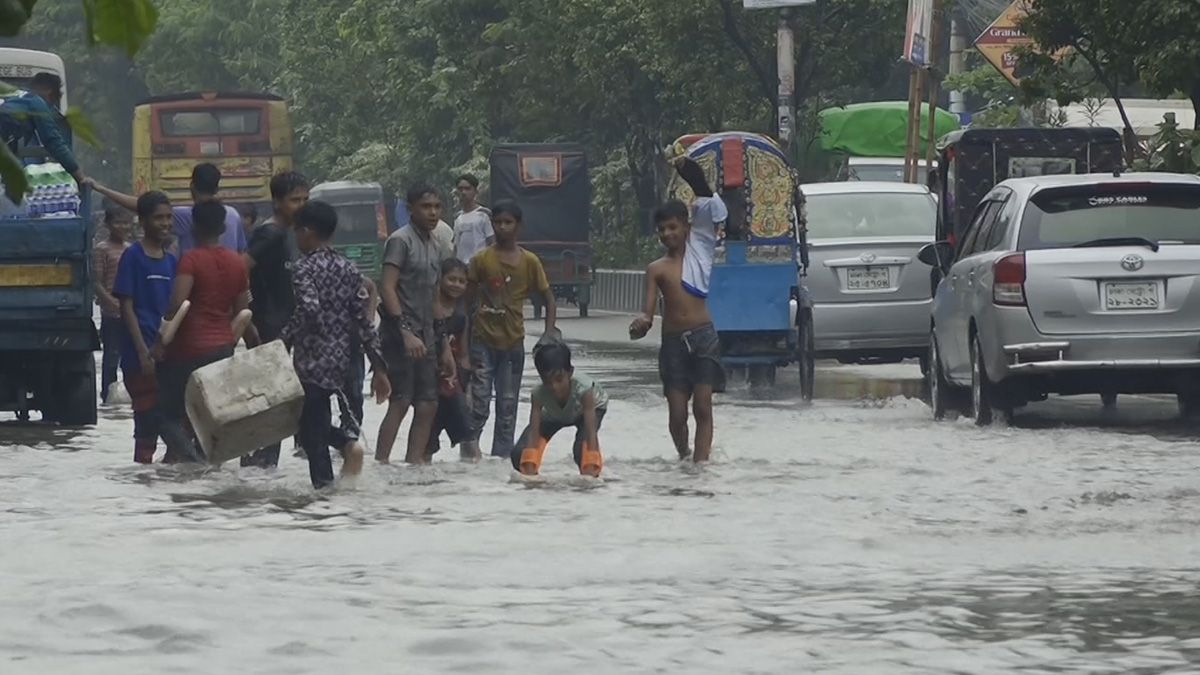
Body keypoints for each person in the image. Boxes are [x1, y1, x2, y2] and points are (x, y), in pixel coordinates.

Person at [282, 200, 390, 488]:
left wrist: (284, 340)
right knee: (311, 424)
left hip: (311, 360)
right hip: (342, 358)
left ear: (307, 231)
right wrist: (379, 367)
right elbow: (364, 321)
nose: (296, 238)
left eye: (297, 232)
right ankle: (345, 449)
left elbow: (308, 309)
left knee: (309, 430)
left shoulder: (304, 268)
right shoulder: (349, 268)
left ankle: (326, 483)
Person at [629, 155, 727, 463]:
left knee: (702, 407)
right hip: (673, 343)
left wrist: (690, 173)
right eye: (661, 230)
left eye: (672, 227)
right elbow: (648, 311)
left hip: (703, 336)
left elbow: (709, 201)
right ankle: (684, 454)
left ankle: (700, 464)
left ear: (686, 227)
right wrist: (641, 322)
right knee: (676, 413)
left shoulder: (701, 250)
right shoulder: (656, 269)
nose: (667, 234)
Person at [154, 200, 252, 463]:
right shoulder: (237, 263)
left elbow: (177, 304)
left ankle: (193, 464)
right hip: (223, 347)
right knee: (209, 415)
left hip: (188, 349)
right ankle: (207, 465)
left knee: (165, 416)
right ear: (222, 227)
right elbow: (242, 310)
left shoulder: (191, 259)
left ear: (194, 227)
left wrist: (159, 342)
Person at [464, 200, 555, 460]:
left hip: (513, 344)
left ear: (518, 226)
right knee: (479, 404)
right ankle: (470, 456)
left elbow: (548, 298)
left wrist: (549, 333)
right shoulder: (481, 259)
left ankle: (501, 459)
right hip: (482, 342)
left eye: (508, 222)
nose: (502, 227)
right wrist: (464, 340)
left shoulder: (529, 262)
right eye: (498, 222)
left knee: (507, 406)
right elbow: (466, 300)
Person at [376, 182, 453, 464]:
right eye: (426, 207)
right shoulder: (400, 240)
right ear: (410, 210)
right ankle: (381, 464)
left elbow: (435, 296)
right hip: (400, 334)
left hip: (428, 334)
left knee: (429, 403)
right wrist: (406, 332)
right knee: (401, 400)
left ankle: (414, 466)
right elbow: (387, 288)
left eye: (437, 207)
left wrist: (444, 345)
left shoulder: (435, 243)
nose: (433, 212)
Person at [240, 171, 310, 469]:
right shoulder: (270, 234)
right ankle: (257, 467)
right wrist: (248, 320)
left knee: (280, 403)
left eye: (306, 199)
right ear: (277, 201)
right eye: (295, 200)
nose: (302, 206)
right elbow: (239, 271)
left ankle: (264, 471)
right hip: (267, 332)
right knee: (268, 403)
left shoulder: (292, 234)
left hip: (286, 333)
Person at [112, 192, 176, 464]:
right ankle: (143, 483)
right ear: (144, 221)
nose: (165, 224)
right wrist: (141, 351)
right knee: (147, 421)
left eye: (168, 218)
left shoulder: (172, 262)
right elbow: (126, 306)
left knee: (176, 425)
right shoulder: (132, 257)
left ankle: (165, 487)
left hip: (168, 355)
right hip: (140, 355)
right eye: (158, 218)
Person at [88, 163, 247, 254]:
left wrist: (101, 189)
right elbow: (241, 252)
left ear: (192, 186)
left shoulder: (187, 216)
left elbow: (142, 205)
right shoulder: (233, 215)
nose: (165, 221)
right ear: (216, 188)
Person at [513, 342, 606, 477]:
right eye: (547, 381)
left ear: (570, 372)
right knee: (519, 453)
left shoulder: (584, 389)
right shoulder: (539, 393)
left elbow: (590, 431)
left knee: (582, 450)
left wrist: (591, 460)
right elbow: (534, 431)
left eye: (559, 379)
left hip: (589, 410)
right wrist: (529, 471)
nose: (554, 387)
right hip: (554, 413)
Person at [425, 258, 473, 461]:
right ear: (440, 280)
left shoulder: (462, 317)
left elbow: (463, 355)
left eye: (461, 281)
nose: (456, 284)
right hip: (430, 383)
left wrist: (467, 390)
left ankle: (479, 483)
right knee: (428, 438)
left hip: (453, 385)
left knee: (468, 435)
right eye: (451, 279)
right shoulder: (428, 313)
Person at [0, 73, 83, 183]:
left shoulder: (12, 97)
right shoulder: (35, 102)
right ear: (50, 93)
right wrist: (79, 176)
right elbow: (54, 142)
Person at [94, 207, 132, 403]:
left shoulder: (131, 248)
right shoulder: (102, 249)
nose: (122, 226)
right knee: (111, 358)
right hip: (112, 312)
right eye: (118, 222)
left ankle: (131, 397)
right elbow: (97, 283)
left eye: (126, 222)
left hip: (131, 312)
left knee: (131, 357)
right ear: (108, 225)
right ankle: (107, 398)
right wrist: (112, 303)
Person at [452, 173, 493, 262]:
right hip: (461, 267)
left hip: (480, 264)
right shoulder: (457, 217)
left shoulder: (484, 214)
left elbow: (491, 242)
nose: (463, 192)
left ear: (475, 191)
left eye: (467, 188)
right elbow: (456, 245)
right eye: (460, 189)